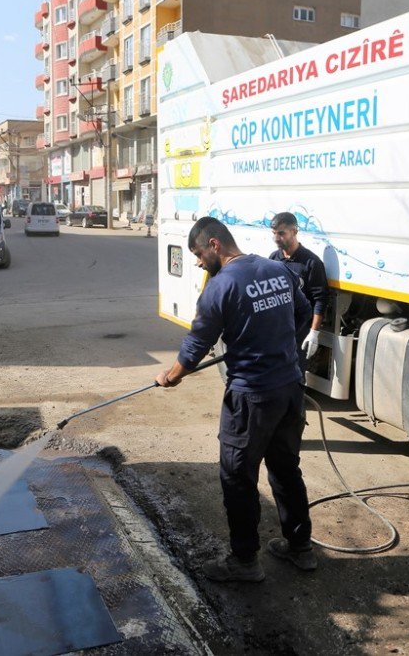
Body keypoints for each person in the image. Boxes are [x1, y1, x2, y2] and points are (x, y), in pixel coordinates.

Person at [155, 217, 317, 582]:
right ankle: (300, 548)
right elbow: (304, 313)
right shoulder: (277, 269)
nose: (197, 262)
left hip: (252, 399)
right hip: (290, 389)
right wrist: (277, 347)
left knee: (237, 477)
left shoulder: (220, 286)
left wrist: (171, 376)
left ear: (214, 245)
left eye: (198, 254)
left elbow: (197, 343)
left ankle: (245, 562)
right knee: (286, 468)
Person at [268, 212, 329, 363]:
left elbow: (320, 300)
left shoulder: (311, 263)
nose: (276, 238)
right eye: (274, 233)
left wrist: (314, 333)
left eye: (281, 233)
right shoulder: (273, 259)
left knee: (295, 379)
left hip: (299, 332)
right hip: (275, 331)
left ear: (294, 231)